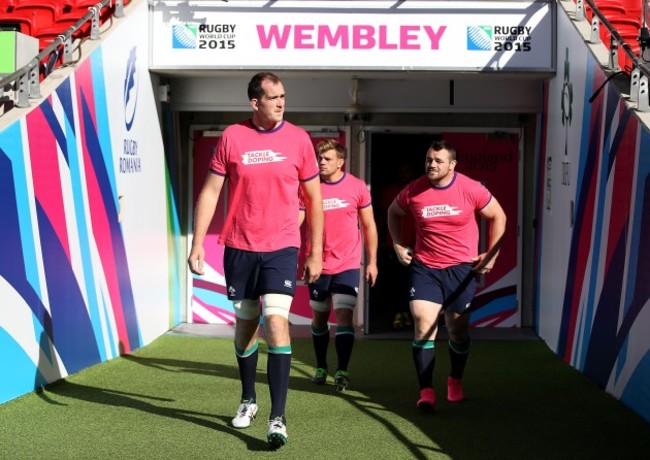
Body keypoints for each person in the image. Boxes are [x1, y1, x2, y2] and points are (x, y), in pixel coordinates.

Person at [188, 72, 324, 449]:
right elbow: (211, 192)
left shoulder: (298, 139)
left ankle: (277, 418)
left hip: (281, 247)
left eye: (283, 96)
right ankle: (248, 397)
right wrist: (198, 243)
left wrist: (314, 251)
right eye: (273, 97)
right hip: (240, 247)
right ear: (255, 102)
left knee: (277, 323)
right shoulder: (232, 137)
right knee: (246, 325)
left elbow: (314, 200)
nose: (281, 102)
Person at [387, 139, 506, 411]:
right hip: (425, 268)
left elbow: (499, 216)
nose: (431, 164)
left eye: (438, 161)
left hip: (460, 270)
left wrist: (492, 254)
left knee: (457, 330)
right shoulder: (414, 190)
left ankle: (455, 379)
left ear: (452, 165)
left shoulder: (471, 188)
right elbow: (394, 212)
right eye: (429, 159)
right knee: (422, 323)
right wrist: (397, 243)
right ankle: (426, 391)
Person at [299, 139, 379, 392]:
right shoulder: (309, 188)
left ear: (341, 161)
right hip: (316, 264)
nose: (322, 162)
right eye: (320, 158)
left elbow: (368, 226)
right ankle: (321, 366)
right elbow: (297, 219)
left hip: (347, 263)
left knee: (344, 315)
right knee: (320, 317)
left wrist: (372, 261)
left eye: (327, 159)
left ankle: (342, 370)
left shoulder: (357, 187)